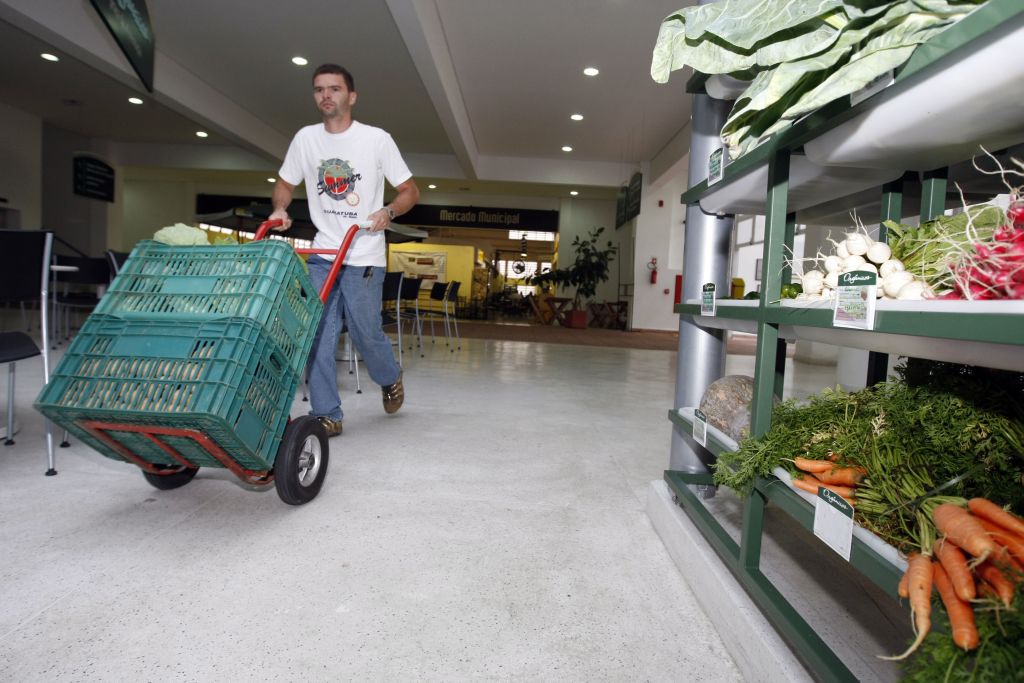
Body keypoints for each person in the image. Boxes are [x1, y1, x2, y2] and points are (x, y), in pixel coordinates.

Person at [270, 63, 420, 436]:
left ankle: (389, 375)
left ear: (350, 96)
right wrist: (279, 207)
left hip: (363, 252)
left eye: (334, 89)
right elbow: (285, 182)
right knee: (316, 332)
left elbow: (410, 192)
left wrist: (387, 211)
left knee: (364, 331)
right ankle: (327, 413)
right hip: (323, 253)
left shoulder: (376, 140)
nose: (326, 95)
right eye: (319, 89)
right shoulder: (306, 139)